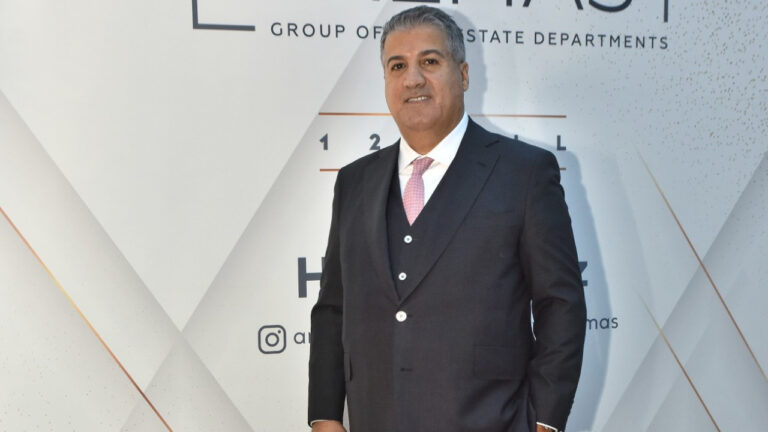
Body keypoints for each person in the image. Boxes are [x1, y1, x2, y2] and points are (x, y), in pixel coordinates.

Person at [308, 6, 586, 432]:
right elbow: (333, 309)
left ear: (464, 75)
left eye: (430, 61)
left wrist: (544, 423)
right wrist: (325, 417)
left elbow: (560, 304)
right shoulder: (353, 182)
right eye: (397, 66)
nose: (413, 79)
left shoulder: (525, 173)